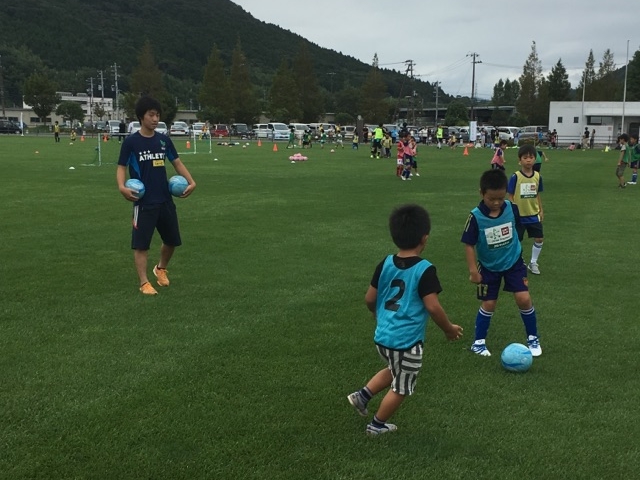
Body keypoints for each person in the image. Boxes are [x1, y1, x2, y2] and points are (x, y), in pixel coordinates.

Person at [347, 204, 463, 436]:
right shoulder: (425, 269)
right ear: (425, 238)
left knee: (393, 368)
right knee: (402, 386)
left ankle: (362, 396)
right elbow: (433, 306)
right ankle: (376, 425)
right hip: (407, 342)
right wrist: (448, 329)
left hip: (383, 336)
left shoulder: (385, 263)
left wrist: (376, 313)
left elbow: (370, 298)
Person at [116, 96, 197, 295]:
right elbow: (121, 167)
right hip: (143, 201)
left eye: (157, 115)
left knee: (172, 241)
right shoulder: (131, 143)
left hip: (165, 199)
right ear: (141, 117)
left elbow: (176, 163)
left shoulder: (163, 140)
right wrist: (121, 187)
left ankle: (160, 269)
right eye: (151, 115)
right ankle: (144, 282)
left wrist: (192, 181)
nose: (155, 119)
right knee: (141, 244)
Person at [461, 169, 542, 357]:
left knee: (524, 298)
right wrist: (473, 270)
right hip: (489, 267)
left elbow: (517, 229)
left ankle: (532, 338)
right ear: (481, 193)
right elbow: (468, 244)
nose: (496, 203)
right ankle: (478, 343)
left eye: (500, 198)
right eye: (491, 199)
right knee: (489, 303)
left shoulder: (511, 208)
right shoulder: (475, 217)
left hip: (514, 262)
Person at [508, 144, 544, 274]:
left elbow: (537, 194)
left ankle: (533, 262)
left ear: (535, 160)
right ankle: (519, 260)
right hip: (519, 215)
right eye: (525, 157)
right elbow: (510, 195)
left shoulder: (538, 176)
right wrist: (514, 208)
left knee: (539, 238)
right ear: (520, 160)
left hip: (533, 214)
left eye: (531, 157)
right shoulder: (515, 176)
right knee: (517, 240)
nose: (528, 160)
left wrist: (541, 209)